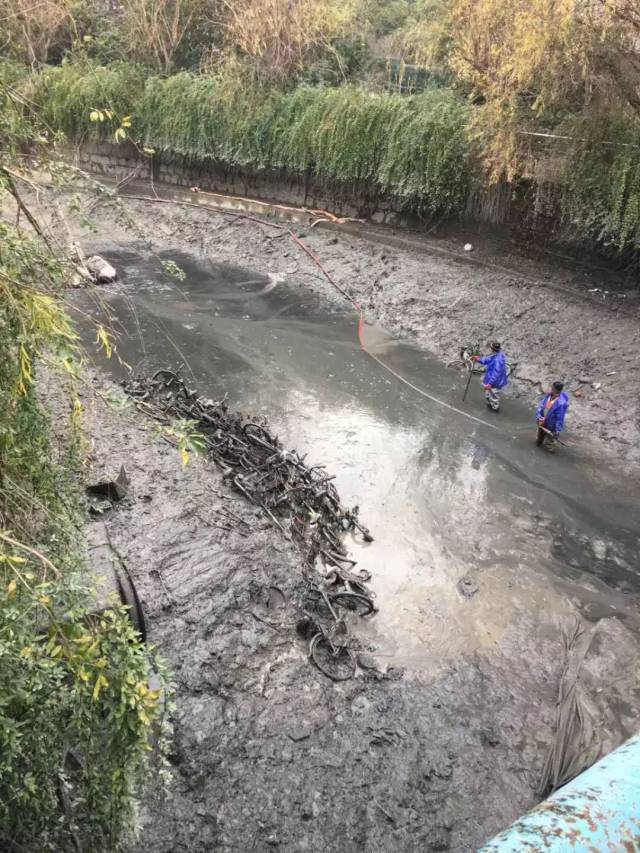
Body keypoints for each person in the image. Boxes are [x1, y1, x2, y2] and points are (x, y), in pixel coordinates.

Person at [471, 342, 508, 412]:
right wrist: (479, 359)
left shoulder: (498, 360)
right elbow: (487, 359)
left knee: (494, 395)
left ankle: (495, 408)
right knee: (488, 394)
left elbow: (496, 373)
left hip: (495, 382)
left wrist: (490, 383)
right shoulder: (496, 355)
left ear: (492, 349)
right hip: (490, 378)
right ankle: (491, 403)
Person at [536, 381, 569, 451]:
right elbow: (541, 404)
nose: (551, 389)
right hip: (542, 420)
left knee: (549, 441)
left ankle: (549, 448)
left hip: (551, 424)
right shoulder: (549, 395)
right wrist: (539, 415)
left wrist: (557, 431)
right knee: (540, 435)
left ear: (555, 389)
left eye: (552, 388)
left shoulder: (561, 404)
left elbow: (560, 418)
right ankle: (539, 442)